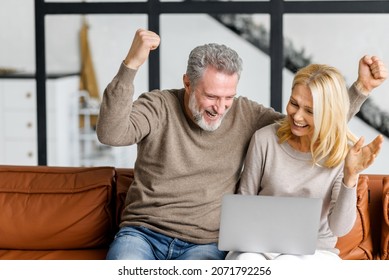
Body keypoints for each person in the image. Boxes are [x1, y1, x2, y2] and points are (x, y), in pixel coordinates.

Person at [96, 28, 387, 260]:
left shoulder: (244, 114)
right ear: (187, 82)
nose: (220, 108)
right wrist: (130, 66)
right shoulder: (158, 106)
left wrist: (359, 90)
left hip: (205, 244)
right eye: (211, 96)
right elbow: (111, 133)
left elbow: (310, 122)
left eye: (228, 97)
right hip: (143, 233)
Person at [226, 64, 384, 261]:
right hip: (259, 246)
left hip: (315, 252)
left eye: (310, 111)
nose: (297, 116)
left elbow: (339, 228)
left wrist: (350, 176)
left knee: (288, 263)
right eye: (294, 103)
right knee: (245, 261)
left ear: (328, 114)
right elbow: (245, 202)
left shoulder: (342, 153)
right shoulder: (264, 139)